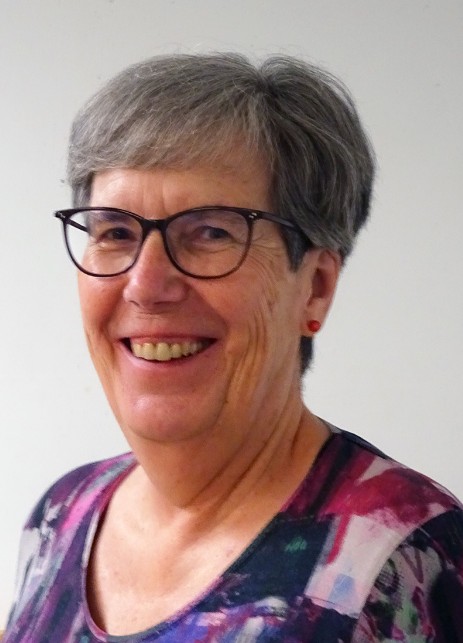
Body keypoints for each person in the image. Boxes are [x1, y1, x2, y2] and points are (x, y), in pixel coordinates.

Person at [4, 53, 463, 642]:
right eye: (115, 232)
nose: (146, 284)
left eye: (211, 232)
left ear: (315, 288)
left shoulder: (404, 560)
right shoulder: (61, 516)